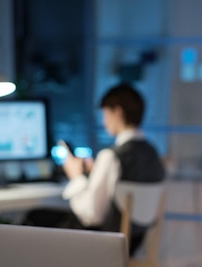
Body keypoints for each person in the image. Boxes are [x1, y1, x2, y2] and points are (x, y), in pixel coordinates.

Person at [23, 83, 165, 255]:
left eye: (105, 114)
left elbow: (91, 216)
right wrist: (94, 173)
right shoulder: (153, 153)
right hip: (134, 241)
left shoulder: (111, 156)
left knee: (35, 217)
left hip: (104, 244)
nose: (104, 121)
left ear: (117, 113)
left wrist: (76, 177)